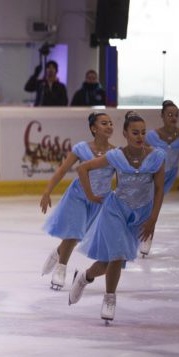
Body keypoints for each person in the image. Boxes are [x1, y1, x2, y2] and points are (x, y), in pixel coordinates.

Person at [68, 112, 165, 323]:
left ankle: (84, 277)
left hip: (140, 214)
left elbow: (159, 190)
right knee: (117, 256)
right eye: (135, 132)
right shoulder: (116, 156)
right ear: (125, 134)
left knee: (108, 263)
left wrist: (153, 219)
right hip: (116, 210)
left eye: (143, 132)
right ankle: (109, 298)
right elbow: (82, 168)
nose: (140, 136)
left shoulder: (156, 156)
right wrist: (91, 195)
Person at [39, 112, 115, 290]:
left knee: (77, 238)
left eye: (111, 123)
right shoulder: (82, 148)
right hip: (78, 196)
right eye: (104, 123)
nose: (109, 126)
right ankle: (61, 268)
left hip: (99, 201)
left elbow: (122, 180)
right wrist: (47, 191)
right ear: (94, 129)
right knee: (73, 233)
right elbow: (62, 170)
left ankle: (58, 252)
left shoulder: (115, 153)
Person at [138, 100, 179, 256]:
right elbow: (142, 153)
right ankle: (142, 233)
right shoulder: (152, 136)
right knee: (149, 206)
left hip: (169, 176)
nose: (173, 117)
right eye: (169, 114)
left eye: (176, 115)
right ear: (162, 115)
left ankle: (147, 238)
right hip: (152, 173)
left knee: (155, 206)